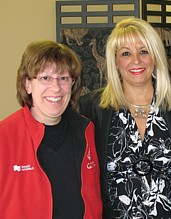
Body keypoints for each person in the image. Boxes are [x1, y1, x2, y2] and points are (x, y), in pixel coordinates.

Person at [79, 17, 171, 218]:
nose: (136, 60)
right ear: (115, 60)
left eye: (143, 51)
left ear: (155, 56)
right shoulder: (93, 108)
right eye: (125, 53)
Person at [0, 40, 103, 218]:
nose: (55, 88)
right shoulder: (4, 137)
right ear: (27, 84)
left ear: (73, 84)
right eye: (45, 78)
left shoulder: (86, 131)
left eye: (63, 78)